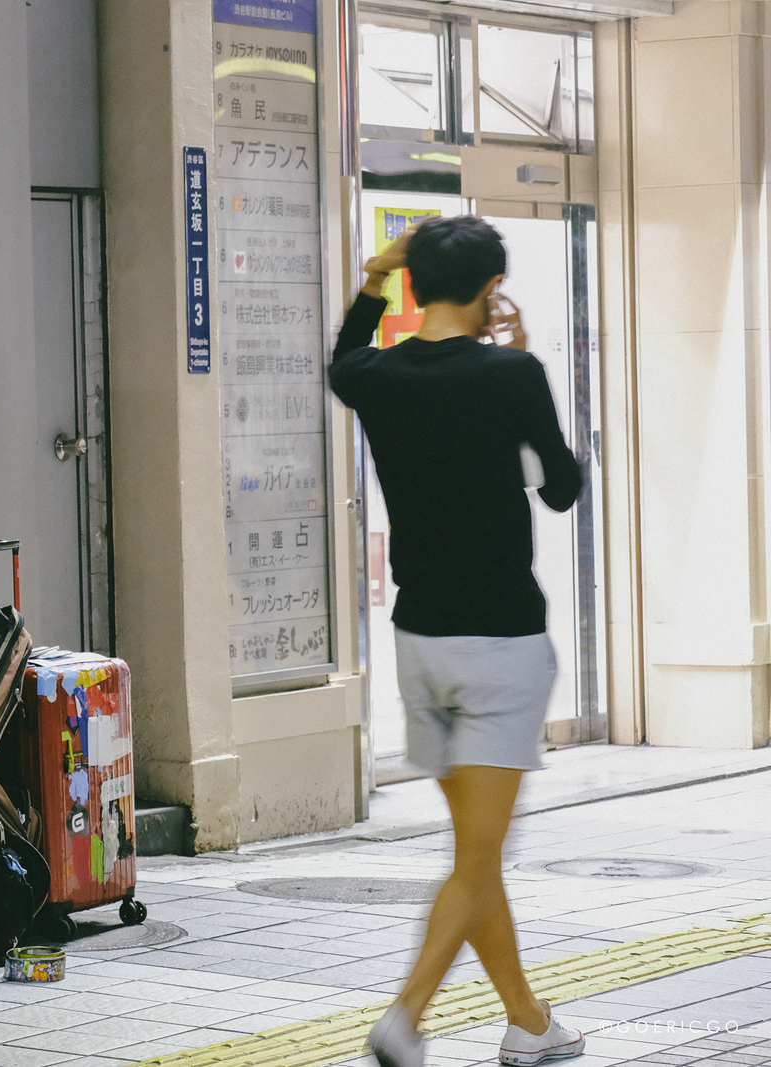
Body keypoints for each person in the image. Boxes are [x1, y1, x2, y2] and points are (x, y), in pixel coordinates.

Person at [328, 217, 586, 1067]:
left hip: (419, 640)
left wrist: (374, 277)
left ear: (413, 282)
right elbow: (564, 490)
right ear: (488, 288)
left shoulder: (376, 374)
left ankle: (530, 1022)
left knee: (477, 853)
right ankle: (405, 1016)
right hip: (500, 641)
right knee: (476, 857)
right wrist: (509, 361)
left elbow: (343, 355)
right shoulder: (512, 372)